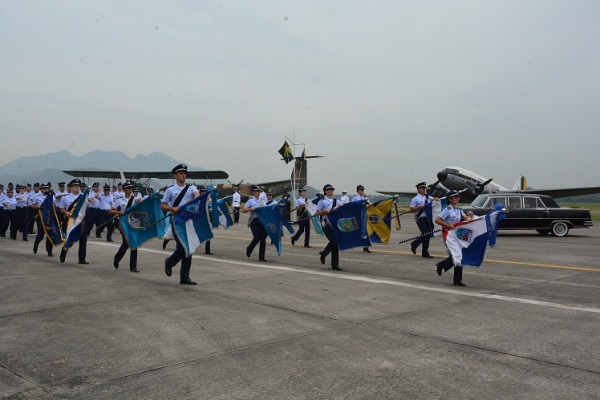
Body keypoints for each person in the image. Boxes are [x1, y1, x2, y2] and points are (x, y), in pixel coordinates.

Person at [162, 163, 200, 285]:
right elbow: (163, 204)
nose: (183, 175)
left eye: (184, 173)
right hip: (176, 221)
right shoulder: (170, 190)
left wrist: (194, 199)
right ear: (175, 175)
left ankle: (184, 277)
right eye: (180, 173)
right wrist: (172, 209)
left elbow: (197, 194)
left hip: (189, 221)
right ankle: (169, 262)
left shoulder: (191, 187)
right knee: (183, 246)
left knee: (189, 248)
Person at [435, 190, 471, 286]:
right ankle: (453, 276)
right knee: (457, 255)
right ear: (450, 199)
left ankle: (456, 278)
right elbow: (437, 220)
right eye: (455, 197)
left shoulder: (459, 210)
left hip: (458, 236)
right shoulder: (447, 210)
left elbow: (465, 218)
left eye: (457, 197)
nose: (457, 199)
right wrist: (447, 225)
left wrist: (468, 219)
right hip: (449, 235)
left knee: (459, 255)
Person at [111, 180, 139, 272]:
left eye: (131, 188)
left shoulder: (135, 199)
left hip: (134, 223)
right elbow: (111, 210)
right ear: (124, 190)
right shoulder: (120, 200)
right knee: (126, 243)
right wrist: (120, 212)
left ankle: (133, 267)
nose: (130, 190)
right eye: (128, 188)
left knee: (134, 243)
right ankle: (117, 258)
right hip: (123, 223)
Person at [59, 179, 89, 265]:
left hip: (81, 221)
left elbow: (86, 206)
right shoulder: (66, 198)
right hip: (71, 221)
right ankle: (64, 250)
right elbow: (61, 208)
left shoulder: (83, 197)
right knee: (71, 238)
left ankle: (82, 259)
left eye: (78, 186)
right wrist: (67, 213)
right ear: (71, 187)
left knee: (83, 240)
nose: (77, 188)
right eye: (75, 186)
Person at [316, 184, 342, 271]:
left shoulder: (336, 201)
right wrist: (325, 211)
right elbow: (317, 212)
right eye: (329, 190)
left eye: (332, 189)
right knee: (334, 241)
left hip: (334, 224)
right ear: (325, 191)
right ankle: (324, 253)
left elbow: (343, 207)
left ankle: (335, 265)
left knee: (335, 244)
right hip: (326, 224)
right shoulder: (322, 201)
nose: (331, 191)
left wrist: (338, 208)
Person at [410, 182, 437, 258]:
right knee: (425, 233)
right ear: (418, 189)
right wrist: (419, 207)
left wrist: (438, 200)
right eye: (423, 188)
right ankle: (414, 244)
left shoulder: (428, 197)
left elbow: (435, 199)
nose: (424, 190)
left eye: (425, 188)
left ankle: (425, 252)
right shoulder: (415, 199)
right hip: (420, 218)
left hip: (428, 218)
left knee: (427, 234)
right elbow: (411, 209)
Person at [242, 185, 267, 261]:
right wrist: (250, 209)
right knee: (256, 237)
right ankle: (249, 248)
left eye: (259, 191)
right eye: (256, 191)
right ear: (253, 193)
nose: (258, 193)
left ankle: (261, 257)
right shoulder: (251, 201)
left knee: (263, 238)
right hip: (254, 220)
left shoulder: (263, 201)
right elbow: (244, 210)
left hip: (262, 220)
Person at [31, 183, 54, 257]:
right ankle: (36, 244)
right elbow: (32, 206)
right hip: (40, 217)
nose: (45, 190)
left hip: (49, 218)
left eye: (46, 188)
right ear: (41, 190)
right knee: (41, 234)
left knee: (50, 234)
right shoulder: (37, 197)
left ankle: (49, 251)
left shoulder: (51, 197)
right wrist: (38, 207)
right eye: (43, 188)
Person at [352, 184, 372, 253]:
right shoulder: (355, 198)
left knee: (366, 231)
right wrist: (362, 203)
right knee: (358, 230)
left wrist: (366, 201)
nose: (362, 191)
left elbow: (369, 204)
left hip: (364, 215)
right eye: (361, 190)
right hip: (358, 215)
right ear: (357, 191)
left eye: (363, 190)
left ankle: (366, 247)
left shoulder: (364, 197)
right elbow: (353, 205)